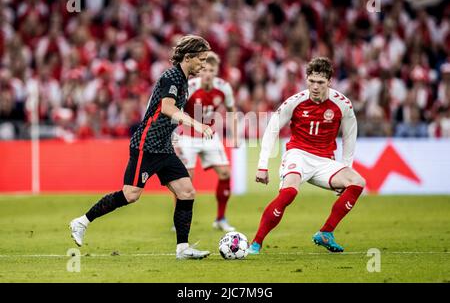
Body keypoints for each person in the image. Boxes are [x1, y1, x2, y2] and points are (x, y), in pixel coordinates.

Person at [69, 35, 214, 260]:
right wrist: (195, 123)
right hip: (147, 145)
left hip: (164, 147)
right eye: (201, 59)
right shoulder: (172, 77)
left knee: (187, 191)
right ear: (188, 57)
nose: (204, 64)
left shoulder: (182, 79)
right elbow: (167, 108)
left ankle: (183, 249)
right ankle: (81, 222)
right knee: (131, 194)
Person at [248, 57, 366, 254]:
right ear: (306, 80)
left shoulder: (343, 104)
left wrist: (346, 167)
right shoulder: (295, 102)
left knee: (357, 182)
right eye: (311, 81)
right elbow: (272, 129)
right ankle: (256, 243)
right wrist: (262, 165)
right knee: (289, 192)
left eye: (320, 82)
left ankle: (326, 233)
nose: (315, 86)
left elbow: (349, 137)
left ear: (329, 81)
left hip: (325, 161)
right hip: (298, 154)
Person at [175, 52, 239, 232]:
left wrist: (234, 135)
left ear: (216, 71)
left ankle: (220, 219)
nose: (208, 73)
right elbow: (175, 111)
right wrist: (175, 138)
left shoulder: (223, 87)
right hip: (187, 136)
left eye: (212, 70)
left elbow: (231, 109)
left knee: (225, 173)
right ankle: (178, 219)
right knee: (186, 181)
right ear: (200, 71)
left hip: (210, 135)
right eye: (205, 70)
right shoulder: (190, 87)